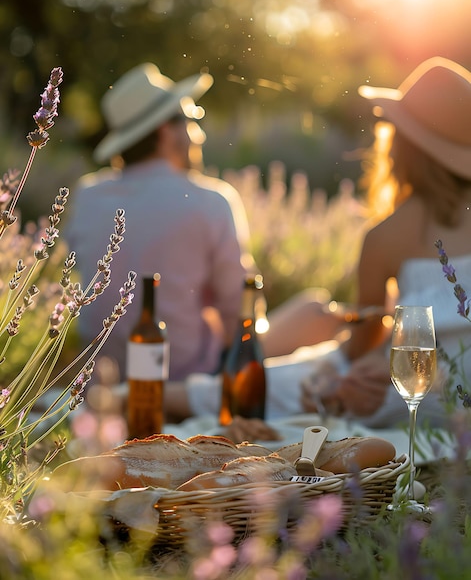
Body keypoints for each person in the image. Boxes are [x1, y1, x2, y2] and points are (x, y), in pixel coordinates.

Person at [165, 56, 471, 431]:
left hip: (413, 395)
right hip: (454, 398)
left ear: (402, 146)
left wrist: (340, 358)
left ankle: (149, 395)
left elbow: (361, 346)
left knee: (299, 377)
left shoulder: (387, 236)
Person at [65, 63, 248, 386]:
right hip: (184, 382)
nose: (199, 132)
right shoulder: (211, 200)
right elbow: (238, 314)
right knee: (315, 311)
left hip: (100, 382)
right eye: (192, 118)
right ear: (166, 130)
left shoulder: (87, 195)